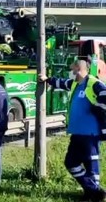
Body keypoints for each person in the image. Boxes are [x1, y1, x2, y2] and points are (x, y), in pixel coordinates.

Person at [39, 59, 106, 202]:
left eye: (72, 68)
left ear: (79, 69)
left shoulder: (94, 83)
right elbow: (62, 83)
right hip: (76, 132)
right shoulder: (76, 83)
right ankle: (93, 190)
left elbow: (105, 97)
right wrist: (47, 79)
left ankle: (93, 195)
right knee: (70, 162)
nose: (71, 72)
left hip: (90, 133)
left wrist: (98, 109)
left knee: (91, 164)